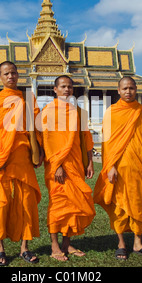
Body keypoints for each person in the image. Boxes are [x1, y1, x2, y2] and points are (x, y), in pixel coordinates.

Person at [0, 61, 43, 266]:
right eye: (6, 74)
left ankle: (24, 248)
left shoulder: (27, 98)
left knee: (26, 202)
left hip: (23, 157)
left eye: (14, 73)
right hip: (2, 157)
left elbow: (36, 127)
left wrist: (38, 152)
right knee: (2, 203)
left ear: (18, 75)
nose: (11, 77)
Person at [93, 76, 142, 260]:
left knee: (140, 203)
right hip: (119, 167)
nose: (128, 91)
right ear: (118, 90)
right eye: (125, 88)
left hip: (140, 166)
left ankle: (138, 243)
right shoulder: (112, 112)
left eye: (131, 88)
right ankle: (121, 243)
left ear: (136, 89)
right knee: (119, 206)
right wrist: (111, 165)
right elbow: (108, 142)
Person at [40, 75, 95, 261]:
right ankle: (55, 246)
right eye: (63, 86)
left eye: (69, 87)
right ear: (55, 90)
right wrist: (57, 165)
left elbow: (86, 138)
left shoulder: (78, 112)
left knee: (72, 205)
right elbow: (47, 141)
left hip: (75, 164)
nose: (67, 90)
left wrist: (89, 162)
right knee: (58, 205)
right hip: (57, 166)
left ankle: (66, 243)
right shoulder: (48, 111)